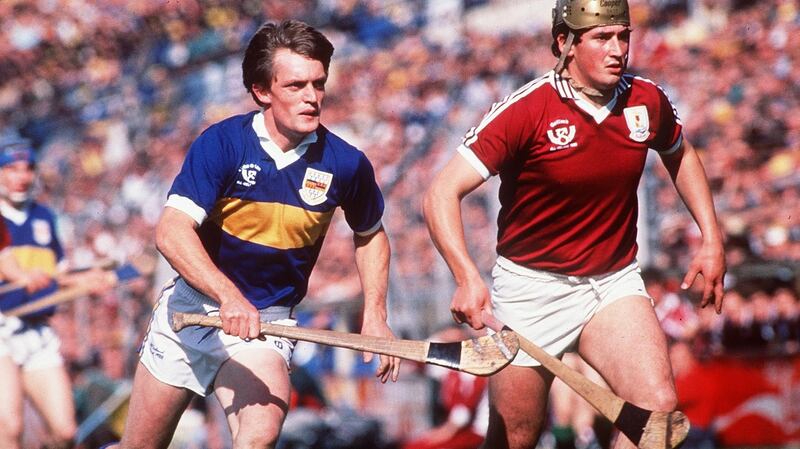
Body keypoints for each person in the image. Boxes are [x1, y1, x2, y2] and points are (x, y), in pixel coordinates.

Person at [422, 1, 726, 448]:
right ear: (564, 43)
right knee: (515, 437)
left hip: (612, 284)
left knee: (657, 412)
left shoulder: (647, 100)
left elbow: (679, 153)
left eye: (623, 37)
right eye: (602, 38)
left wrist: (711, 239)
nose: (617, 49)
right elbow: (440, 193)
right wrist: (466, 276)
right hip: (530, 292)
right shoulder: (527, 109)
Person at [112, 19, 399, 449]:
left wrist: (375, 312)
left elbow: (371, 234)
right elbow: (171, 232)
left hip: (266, 325)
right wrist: (228, 296)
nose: (312, 97)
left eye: (318, 84)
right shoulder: (223, 144)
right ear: (262, 92)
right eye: (296, 85)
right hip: (190, 312)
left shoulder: (346, 163)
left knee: (258, 437)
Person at [0, 136, 114, 449]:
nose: (21, 177)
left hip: (37, 332)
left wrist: (88, 281)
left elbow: (57, 275)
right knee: (9, 428)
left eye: (27, 169)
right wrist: (23, 277)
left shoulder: (43, 217)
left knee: (65, 431)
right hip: (2, 328)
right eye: (12, 169)